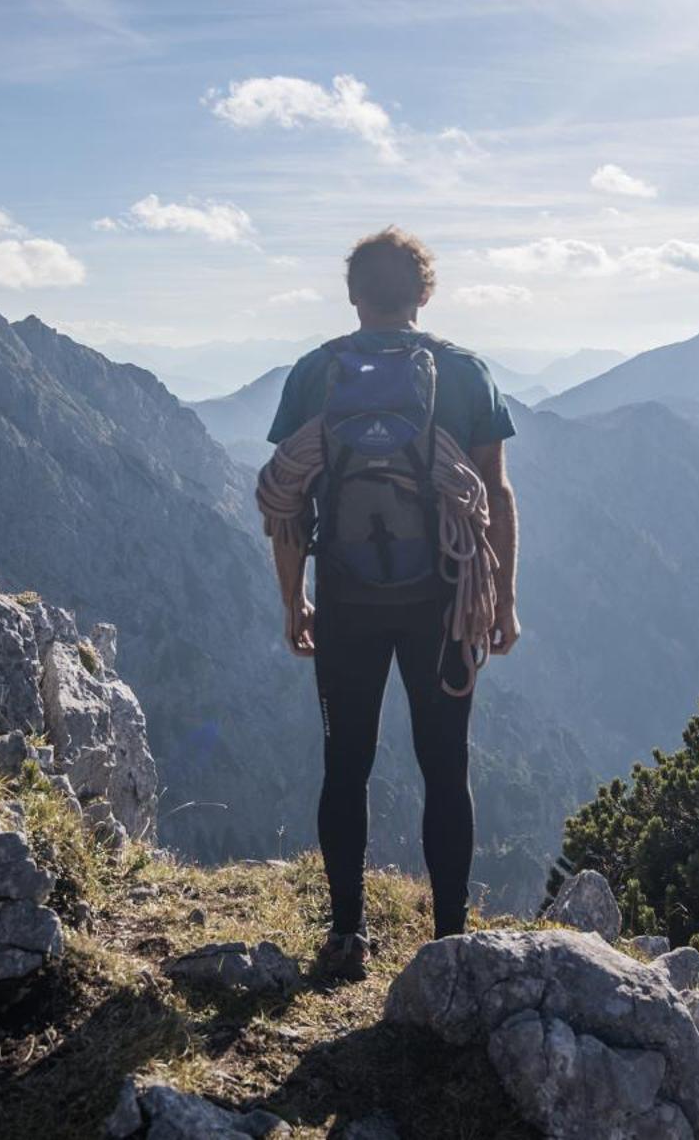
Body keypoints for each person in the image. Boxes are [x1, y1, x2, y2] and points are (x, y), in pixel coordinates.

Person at [261, 226, 519, 980]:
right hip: (443, 600)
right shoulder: (465, 372)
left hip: (345, 598)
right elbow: (493, 492)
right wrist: (501, 599)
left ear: (353, 295)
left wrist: (293, 600)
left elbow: (289, 503)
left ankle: (347, 934)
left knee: (346, 762)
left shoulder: (317, 374)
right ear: (424, 293)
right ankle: (449, 941)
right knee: (446, 765)